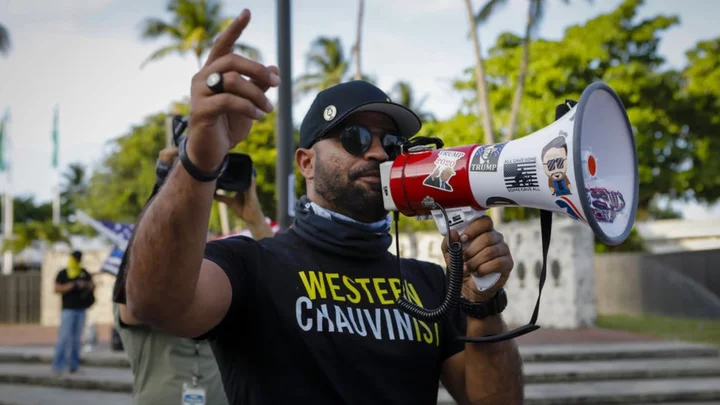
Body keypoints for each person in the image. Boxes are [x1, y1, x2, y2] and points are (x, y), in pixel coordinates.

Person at [126, 9, 523, 405]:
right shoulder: (251, 266)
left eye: (390, 144)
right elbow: (153, 304)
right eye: (355, 136)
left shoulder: (434, 285)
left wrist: (482, 303)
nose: (377, 154)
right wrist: (199, 156)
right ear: (306, 163)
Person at [112, 145, 272, 405]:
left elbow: (280, 288)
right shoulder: (142, 299)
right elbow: (135, 296)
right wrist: (164, 185)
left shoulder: (220, 301)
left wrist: (255, 221)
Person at [52, 250, 95, 374]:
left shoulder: (84, 272)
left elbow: (93, 286)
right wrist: (72, 285)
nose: (77, 261)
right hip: (68, 310)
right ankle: (58, 365)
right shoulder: (63, 273)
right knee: (64, 338)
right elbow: (57, 288)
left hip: (81, 309)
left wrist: (86, 285)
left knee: (77, 340)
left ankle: (74, 365)